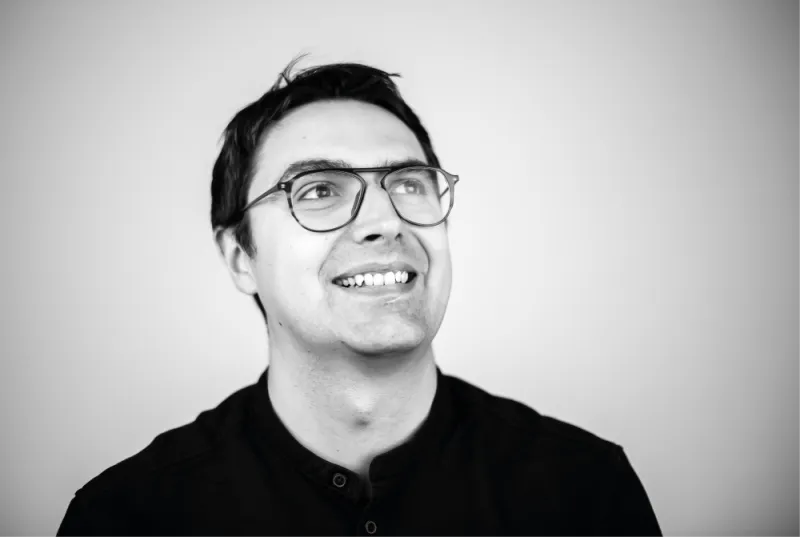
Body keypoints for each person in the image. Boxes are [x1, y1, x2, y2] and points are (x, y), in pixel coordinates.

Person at [56, 59, 662, 536]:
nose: (385, 221)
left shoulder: (585, 491)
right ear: (241, 258)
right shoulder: (129, 516)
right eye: (319, 190)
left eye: (408, 184)